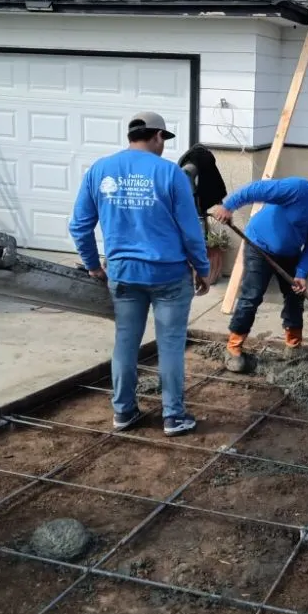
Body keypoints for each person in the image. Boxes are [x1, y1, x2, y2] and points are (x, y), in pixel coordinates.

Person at [69, 111, 210, 436]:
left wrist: (93, 265)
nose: (163, 145)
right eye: (164, 139)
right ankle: (173, 417)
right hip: (169, 275)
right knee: (170, 345)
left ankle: (123, 412)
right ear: (157, 136)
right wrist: (202, 268)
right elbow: (191, 231)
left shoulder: (100, 170)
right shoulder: (170, 173)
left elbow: (79, 225)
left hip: (123, 274)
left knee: (125, 343)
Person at [211, 171, 308, 371]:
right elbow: (256, 189)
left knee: (295, 294)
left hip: (289, 254)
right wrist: (228, 206)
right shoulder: (299, 189)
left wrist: (301, 273)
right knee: (252, 295)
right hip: (259, 246)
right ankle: (233, 348)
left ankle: (293, 346)